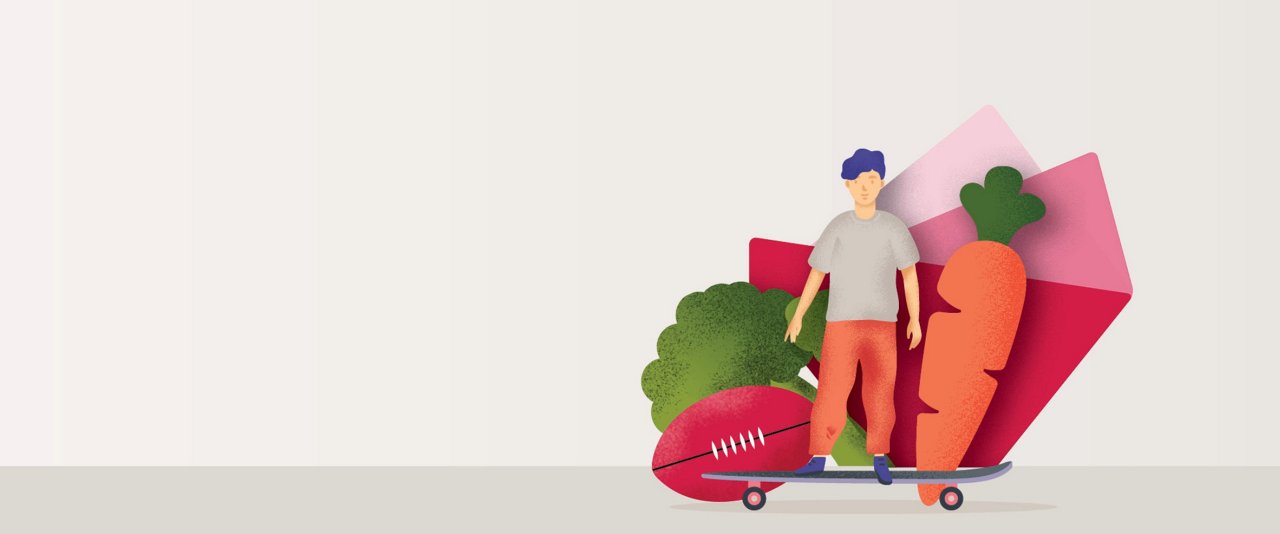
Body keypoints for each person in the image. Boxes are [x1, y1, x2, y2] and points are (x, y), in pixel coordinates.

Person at [785, 148, 922, 484]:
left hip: (882, 326)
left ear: (882, 183)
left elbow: (909, 274)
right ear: (847, 185)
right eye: (859, 181)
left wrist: (915, 319)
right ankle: (818, 456)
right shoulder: (838, 227)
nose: (865, 187)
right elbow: (817, 273)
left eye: (872, 180)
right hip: (841, 325)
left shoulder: (893, 228)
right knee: (832, 390)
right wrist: (799, 314)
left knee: (879, 392)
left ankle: (879, 457)